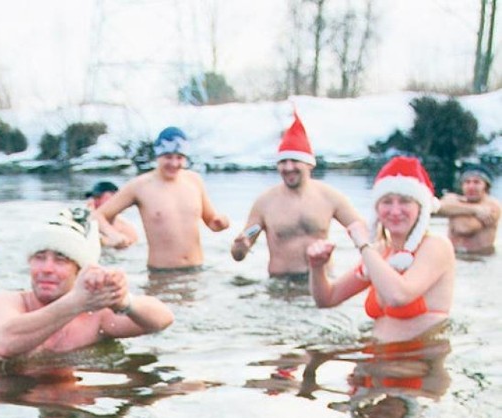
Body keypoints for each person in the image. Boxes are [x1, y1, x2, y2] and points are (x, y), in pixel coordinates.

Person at [0, 208, 173, 361]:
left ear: (79, 270)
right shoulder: (8, 302)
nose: (47, 268)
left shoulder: (94, 319)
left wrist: (123, 301)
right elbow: (5, 344)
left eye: (61, 260)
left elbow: (162, 320)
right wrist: (76, 302)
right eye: (39, 258)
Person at [307, 156, 455, 343]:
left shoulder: (436, 246)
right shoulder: (380, 251)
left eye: (404, 201)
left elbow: (399, 296)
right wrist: (317, 267)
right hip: (375, 359)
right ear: (377, 209)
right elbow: (327, 299)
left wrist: (363, 245)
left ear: (421, 208)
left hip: (417, 362)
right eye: (386, 202)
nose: (394, 211)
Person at [230, 111, 360, 277]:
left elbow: (363, 232)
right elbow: (238, 255)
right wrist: (240, 247)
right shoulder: (265, 203)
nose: (288, 167)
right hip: (281, 286)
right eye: (283, 162)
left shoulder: (330, 197)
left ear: (309, 164)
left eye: (294, 161)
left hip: (322, 282)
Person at [91, 127, 229, 270]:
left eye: (179, 157)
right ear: (158, 156)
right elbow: (97, 216)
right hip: (160, 274)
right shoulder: (140, 186)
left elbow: (212, 221)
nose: (174, 163)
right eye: (168, 157)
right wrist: (113, 235)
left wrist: (221, 223)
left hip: (196, 270)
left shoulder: (194, 181)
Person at [434, 163, 500, 255]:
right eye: (467, 182)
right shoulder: (453, 199)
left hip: (480, 260)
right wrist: (475, 210)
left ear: (486, 186)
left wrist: (451, 210)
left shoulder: (493, 206)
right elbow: (434, 207)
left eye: (476, 182)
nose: (471, 187)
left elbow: (464, 227)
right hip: (454, 256)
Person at [85, 180, 139, 247]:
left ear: (115, 199)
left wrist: (104, 241)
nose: (95, 201)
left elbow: (125, 244)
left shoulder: (126, 229)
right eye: (94, 197)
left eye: (99, 197)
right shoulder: (84, 220)